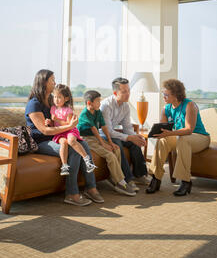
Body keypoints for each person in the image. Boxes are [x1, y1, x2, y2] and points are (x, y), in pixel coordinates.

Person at [25, 69, 104, 206]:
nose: (55, 82)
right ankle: (72, 193)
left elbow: (62, 115)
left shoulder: (51, 100)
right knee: (73, 150)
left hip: (56, 136)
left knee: (82, 144)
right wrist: (69, 126)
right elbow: (44, 130)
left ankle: (91, 187)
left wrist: (72, 122)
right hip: (42, 142)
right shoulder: (34, 103)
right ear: (43, 82)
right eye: (52, 80)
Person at [146, 78, 210, 196]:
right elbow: (164, 129)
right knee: (163, 141)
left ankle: (185, 181)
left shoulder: (189, 105)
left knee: (183, 139)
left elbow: (189, 130)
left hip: (199, 137)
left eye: (166, 95)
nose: (163, 97)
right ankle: (156, 177)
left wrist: (168, 134)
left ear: (175, 95)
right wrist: (160, 134)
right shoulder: (166, 108)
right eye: (163, 94)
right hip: (181, 137)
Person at [77, 90, 136, 197]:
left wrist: (110, 142)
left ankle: (115, 178)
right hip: (85, 139)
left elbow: (104, 127)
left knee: (116, 149)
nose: (100, 103)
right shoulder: (84, 114)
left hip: (95, 137)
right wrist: (103, 144)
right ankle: (120, 182)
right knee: (109, 155)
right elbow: (94, 129)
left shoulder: (98, 112)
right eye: (98, 101)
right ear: (89, 103)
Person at [100, 77, 149, 191]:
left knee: (134, 141)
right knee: (117, 143)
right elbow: (109, 132)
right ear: (115, 93)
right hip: (102, 135)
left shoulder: (126, 106)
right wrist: (129, 137)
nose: (128, 94)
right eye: (124, 92)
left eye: (128, 90)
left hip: (114, 133)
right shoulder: (105, 106)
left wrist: (135, 137)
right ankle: (127, 179)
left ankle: (140, 175)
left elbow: (127, 128)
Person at [48, 84, 96, 176]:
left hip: (70, 131)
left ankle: (87, 161)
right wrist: (50, 122)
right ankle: (64, 165)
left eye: (59, 97)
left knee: (71, 141)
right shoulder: (53, 108)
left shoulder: (68, 110)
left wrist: (57, 119)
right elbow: (54, 124)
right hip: (59, 132)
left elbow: (69, 124)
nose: (56, 100)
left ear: (66, 99)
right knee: (63, 143)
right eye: (54, 97)